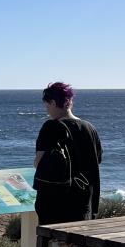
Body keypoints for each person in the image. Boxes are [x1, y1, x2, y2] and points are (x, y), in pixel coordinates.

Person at [33, 81, 102, 225]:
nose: (47, 111)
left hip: (55, 203)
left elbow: (38, 163)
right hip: (83, 201)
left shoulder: (50, 127)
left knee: (53, 245)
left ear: (52, 102)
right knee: (79, 245)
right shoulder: (90, 128)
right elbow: (97, 159)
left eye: (47, 106)